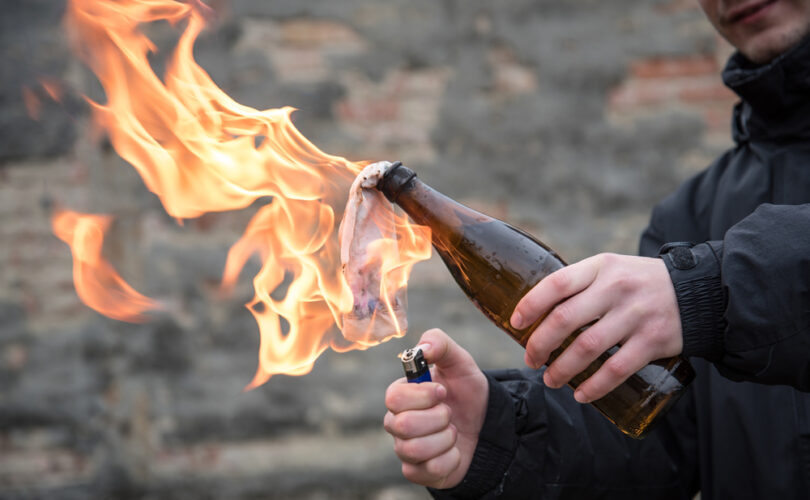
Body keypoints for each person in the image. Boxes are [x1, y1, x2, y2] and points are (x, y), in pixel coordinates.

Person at [383, 0, 810, 498]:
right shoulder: (692, 213)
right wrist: (499, 436)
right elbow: (659, 434)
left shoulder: (692, 263)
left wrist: (711, 290)